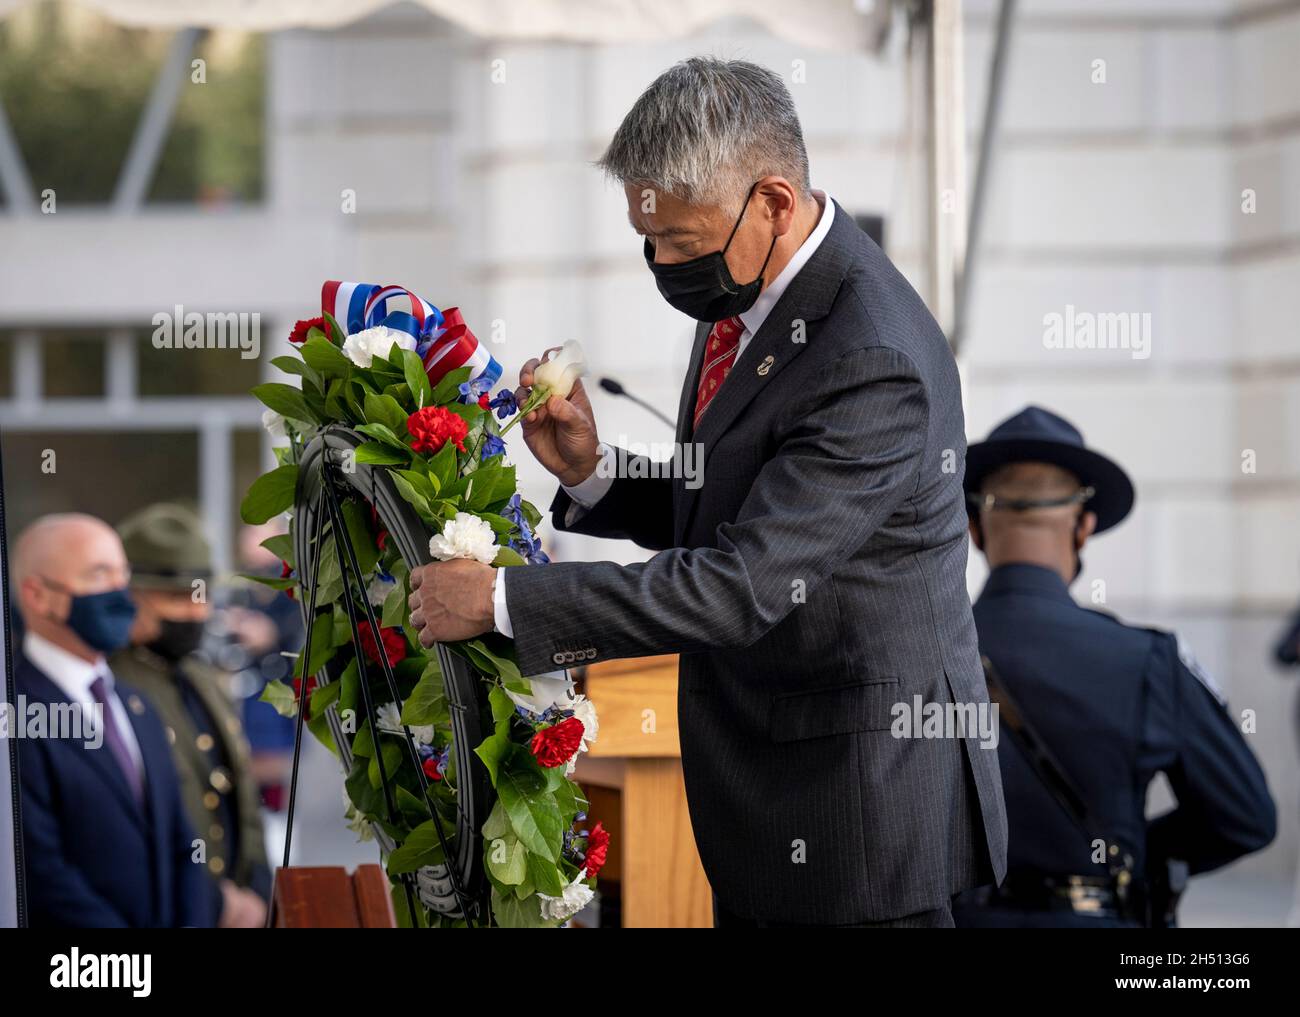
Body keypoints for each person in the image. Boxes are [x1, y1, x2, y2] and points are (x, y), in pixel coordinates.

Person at [407, 57, 1007, 927]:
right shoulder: (749, 286)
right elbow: (731, 498)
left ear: (771, 201)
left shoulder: (872, 356)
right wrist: (594, 468)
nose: (663, 262)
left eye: (682, 243)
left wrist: (502, 599)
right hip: (776, 791)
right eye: (648, 240)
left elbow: (743, 582)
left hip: (858, 816)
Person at [954, 406, 1277, 927]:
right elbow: (1246, 816)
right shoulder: (1147, 660)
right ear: (1083, 528)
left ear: (974, 529)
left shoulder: (920, 657)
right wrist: (1124, 855)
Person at [11, 513, 214, 927]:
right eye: (99, 574)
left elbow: (182, 842)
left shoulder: (135, 703)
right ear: (37, 595)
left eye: (122, 574)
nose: (121, 593)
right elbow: (40, 873)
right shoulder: (16, 713)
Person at [111, 503, 270, 928]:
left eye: (201, 595)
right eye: (177, 597)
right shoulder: (108, 685)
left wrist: (255, 890)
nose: (196, 612)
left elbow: (243, 797)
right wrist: (211, 904)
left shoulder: (201, 678)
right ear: (130, 594)